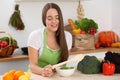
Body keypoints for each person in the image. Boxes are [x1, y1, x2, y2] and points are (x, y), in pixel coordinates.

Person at [27, 3, 72, 77]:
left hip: (56, 76)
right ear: (44, 20)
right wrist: (43, 71)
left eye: (57, 18)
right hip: (37, 76)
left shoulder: (67, 36)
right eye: (49, 18)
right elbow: (32, 66)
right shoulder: (36, 36)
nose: (54, 21)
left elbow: (64, 63)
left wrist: (53, 70)